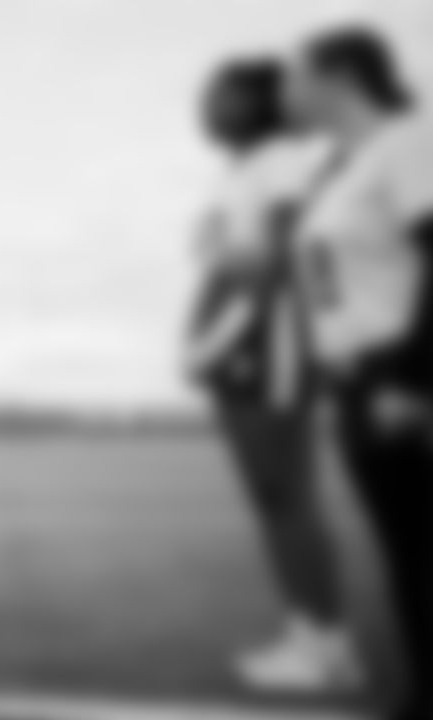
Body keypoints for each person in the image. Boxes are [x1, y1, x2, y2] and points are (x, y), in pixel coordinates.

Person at [186, 57, 359, 691]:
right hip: (245, 351)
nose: (205, 106)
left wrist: (213, 345)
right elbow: (231, 264)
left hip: (270, 348)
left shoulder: (284, 161)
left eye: (219, 94)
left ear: (258, 104)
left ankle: (328, 646)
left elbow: (284, 261)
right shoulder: (244, 170)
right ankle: (308, 630)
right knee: (273, 499)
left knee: (287, 497)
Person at [287, 25, 433, 720]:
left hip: (399, 378)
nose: (285, 89)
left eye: (296, 73)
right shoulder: (348, 165)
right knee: (409, 554)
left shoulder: (409, 143)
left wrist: (412, 375)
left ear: (340, 74)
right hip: (358, 381)